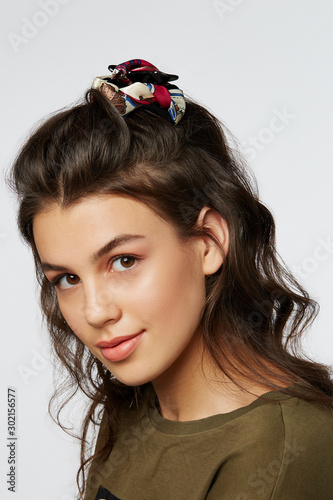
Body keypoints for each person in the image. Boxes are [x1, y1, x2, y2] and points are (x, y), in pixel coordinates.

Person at [9, 59, 333, 500]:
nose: (94, 311)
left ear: (208, 242)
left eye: (123, 261)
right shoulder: (133, 407)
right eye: (66, 278)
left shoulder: (288, 447)